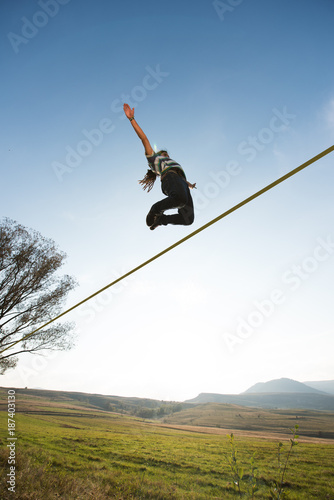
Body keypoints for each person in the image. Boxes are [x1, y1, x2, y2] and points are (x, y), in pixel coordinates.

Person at [123, 103, 196, 230]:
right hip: (170, 179)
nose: (167, 155)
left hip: (181, 183)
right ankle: (155, 210)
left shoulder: (172, 162)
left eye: (167, 154)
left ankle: (162, 220)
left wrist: (188, 184)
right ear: (158, 154)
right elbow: (144, 139)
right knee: (180, 200)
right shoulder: (154, 159)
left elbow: (179, 175)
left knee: (188, 219)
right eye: (164, 153)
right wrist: (132, 119)